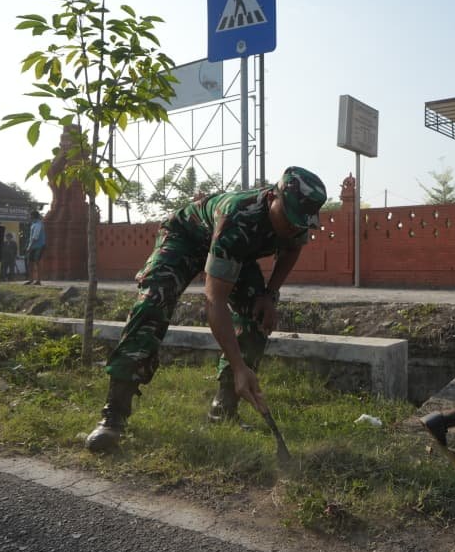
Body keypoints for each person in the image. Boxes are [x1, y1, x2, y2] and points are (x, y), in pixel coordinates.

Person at [85, 166, 328, 453]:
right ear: (273, 197)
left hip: (234, 252)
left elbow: (291, 249)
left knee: (257, 314)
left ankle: (224, 408)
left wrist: (268, 293)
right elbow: (215, 301)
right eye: (289, 218)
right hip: (186, 240)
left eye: (301, 223)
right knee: (153, 302)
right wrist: (239, 366)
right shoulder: (237, 216)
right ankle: (114, 414)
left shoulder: (297, 220)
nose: (293, 227)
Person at [23, 210, 46, 285]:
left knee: (37, 262)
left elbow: (35, 237)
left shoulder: (38, 224)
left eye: (30, 215)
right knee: (30, 262)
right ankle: (31, 279)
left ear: (33, 216)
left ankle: (38, 280)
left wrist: (29, 246)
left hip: (38, 246)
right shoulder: (33, 224)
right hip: (33, 246)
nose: (29, 217)